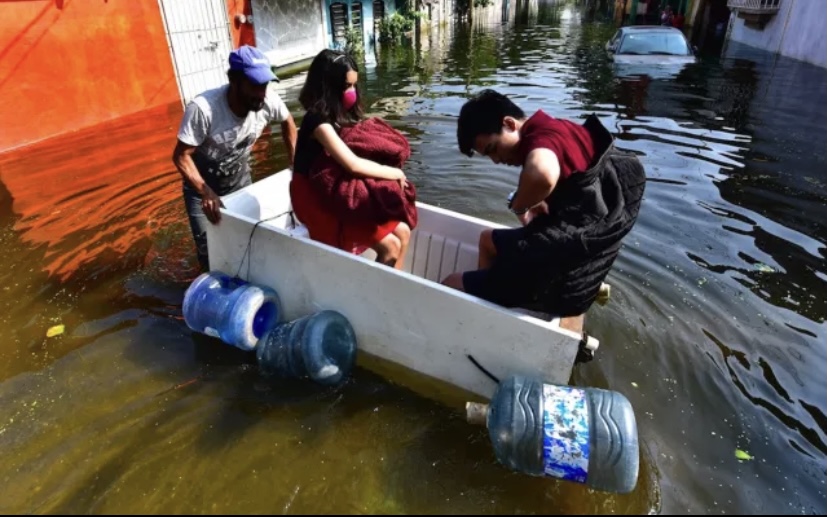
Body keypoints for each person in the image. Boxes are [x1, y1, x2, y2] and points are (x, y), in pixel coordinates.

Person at [441, 89, 646, 318]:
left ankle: (481, 315)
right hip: (587, 261)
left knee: (452, 282)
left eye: (493, 148)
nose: (496, 160)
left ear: (509, 123)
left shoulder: (541, 141)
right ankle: (490, 302)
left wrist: (520, 205)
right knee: (487, 240)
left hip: (566, 282)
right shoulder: (559, 128)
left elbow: (542, 174)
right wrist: (535, 198)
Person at [173, 45, 298, 271]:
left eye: (265, 85)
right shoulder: (203, 109)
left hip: (240, 182)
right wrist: (205, 191)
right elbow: (181, 156)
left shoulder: (267, 100)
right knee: (209, 252)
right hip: (202, 190)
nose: (261, 93)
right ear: (233, 79)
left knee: (248, 241)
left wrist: (295, 165)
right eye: (254, 85)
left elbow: (288, 121)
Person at [289, 49, 412, 270]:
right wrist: (396, 173)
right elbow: (352, 164)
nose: (352, 92)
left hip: (331, 187)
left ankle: (393, 293)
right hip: (312, 195)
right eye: (347, 86)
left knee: (402, 231)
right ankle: (375, 301)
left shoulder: (338, 116)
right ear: (329, 86)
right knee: (391, 247)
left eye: (354, 85)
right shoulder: (316, 121)